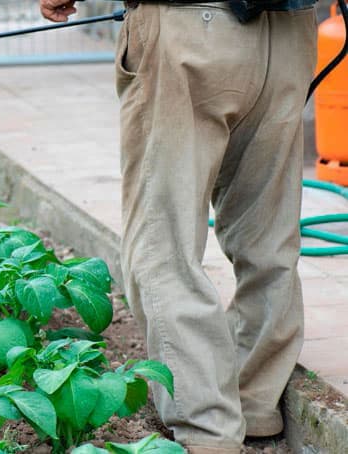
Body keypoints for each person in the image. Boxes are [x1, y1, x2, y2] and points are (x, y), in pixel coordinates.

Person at [40, 0, 318, 453]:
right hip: (289, 34)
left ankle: (209, 427)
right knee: (268, 238)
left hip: (190, 29)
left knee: (163, 244)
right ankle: (253, 403)